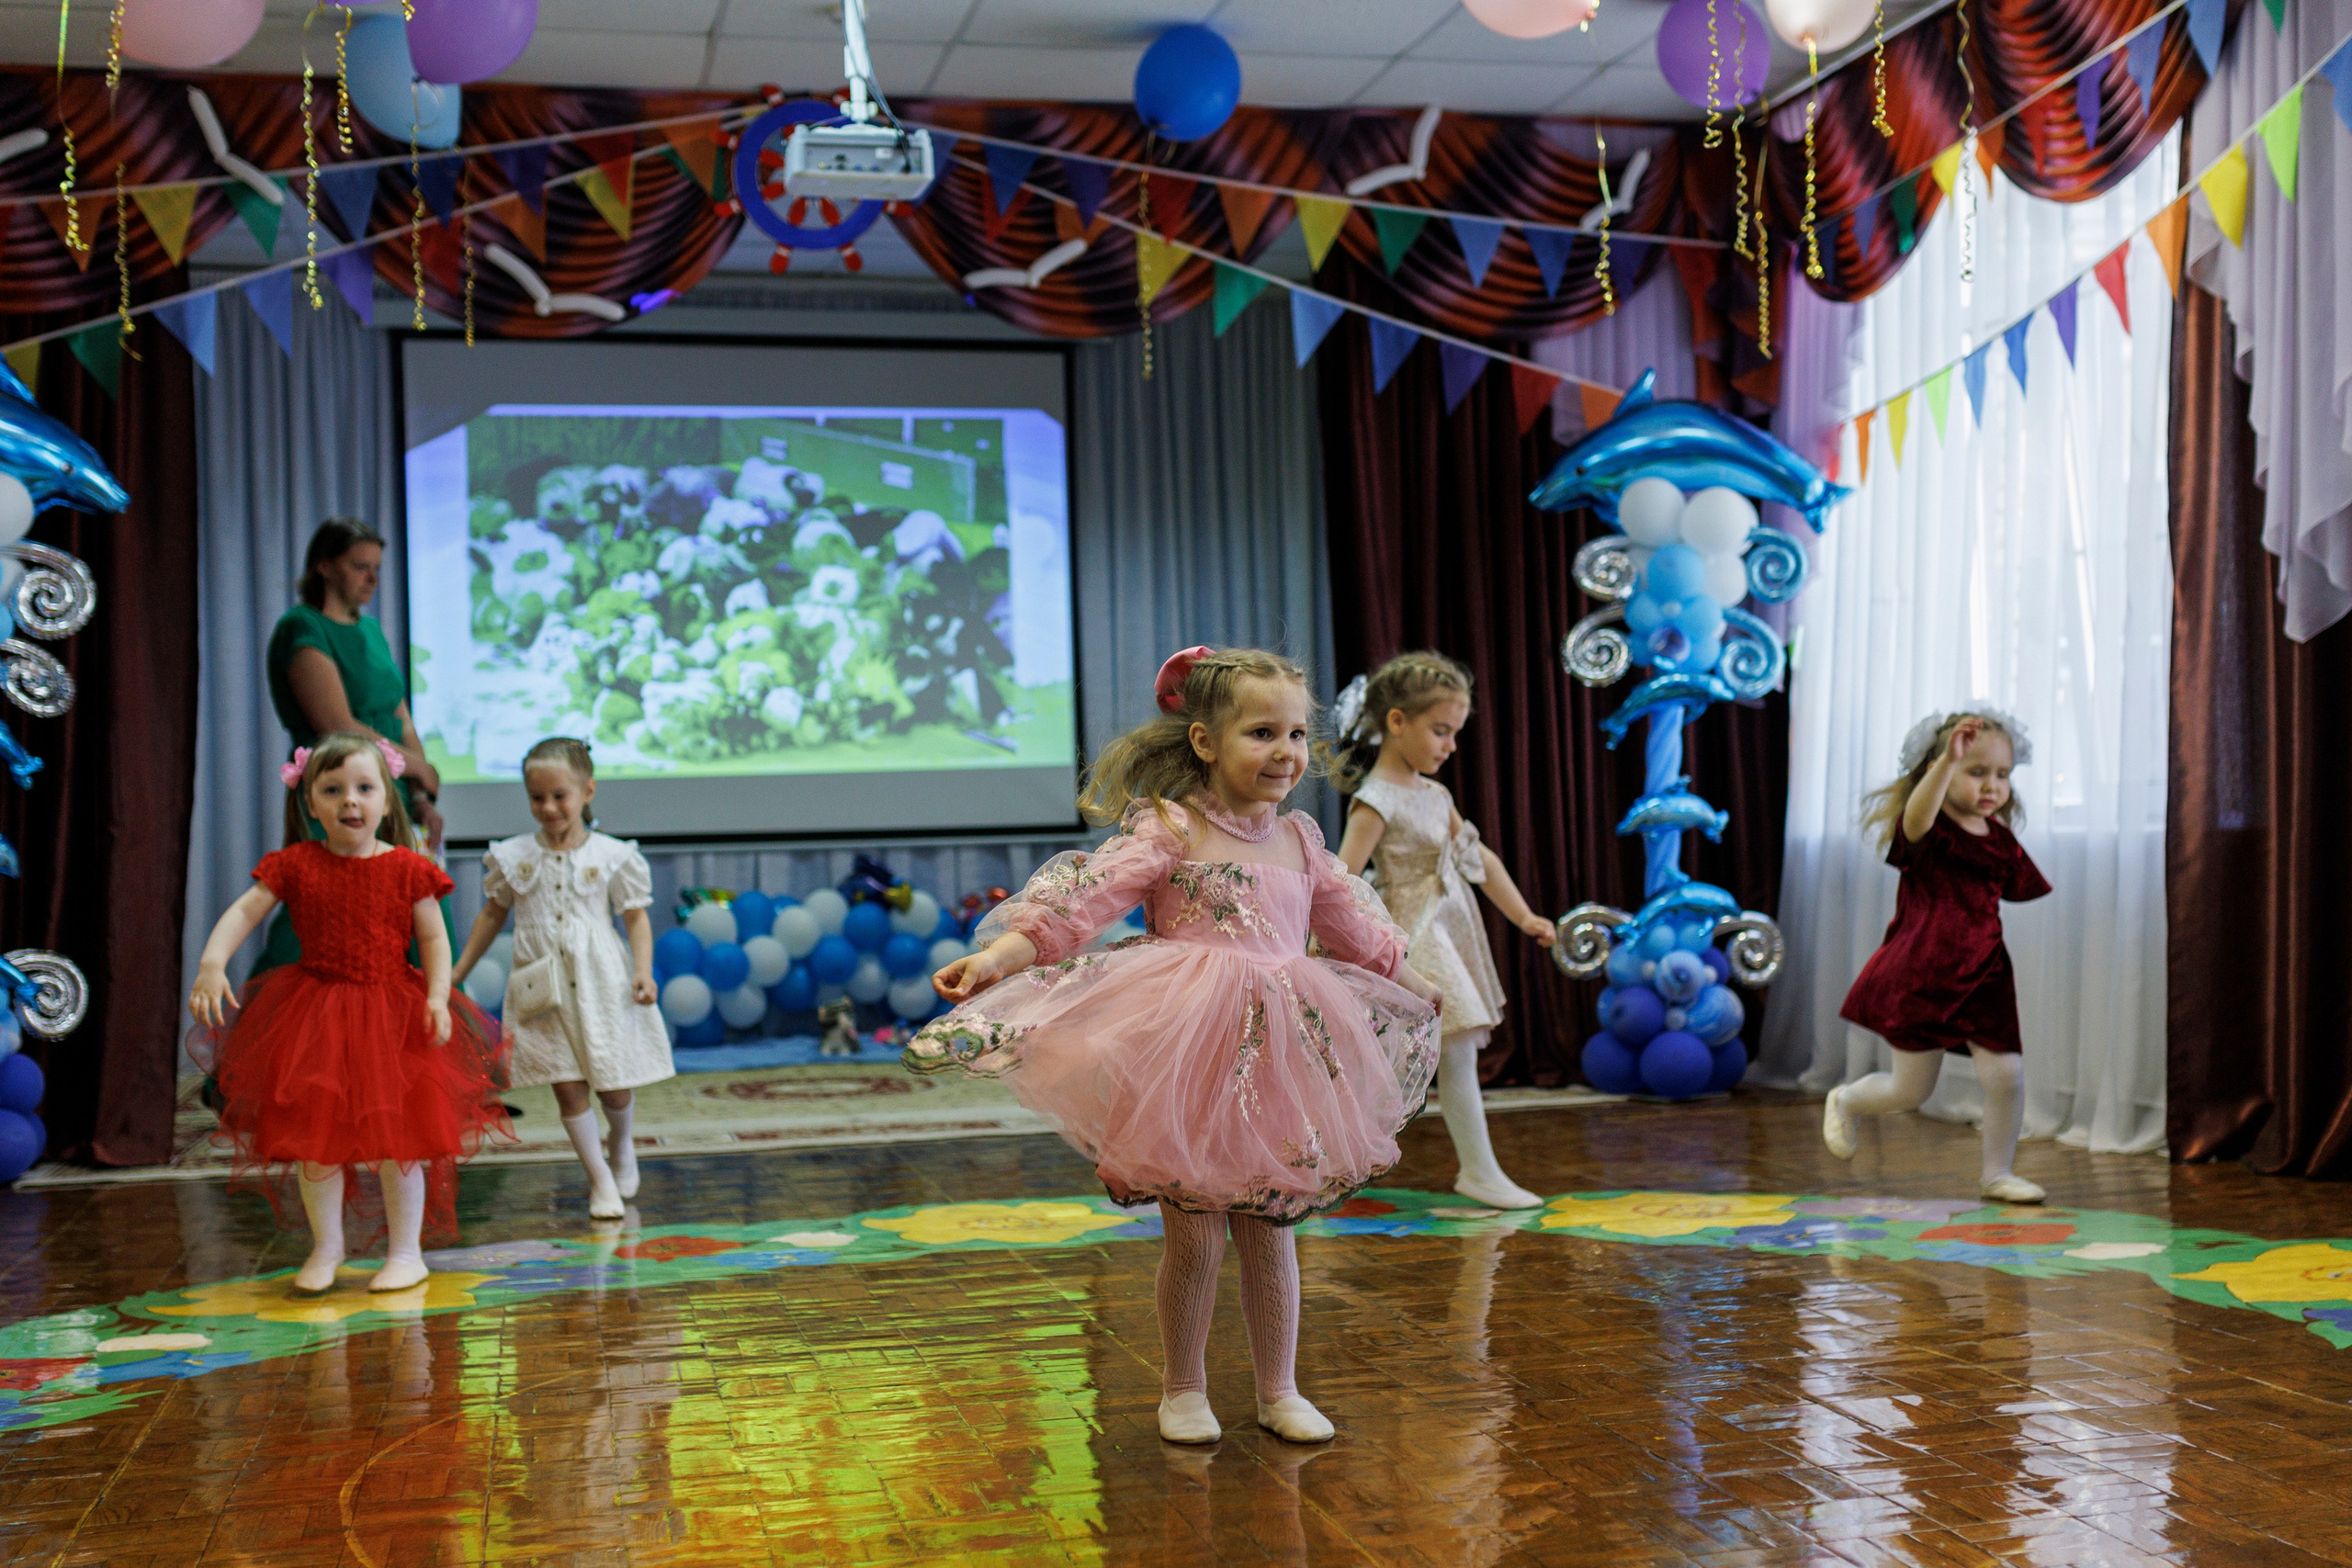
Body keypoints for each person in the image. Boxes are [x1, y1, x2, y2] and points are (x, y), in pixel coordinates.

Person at [909, 646, 1442, 1447]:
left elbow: (1358, 930)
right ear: (1204, 741)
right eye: (1262, 732)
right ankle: (1184, 1386)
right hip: (1189, 1052)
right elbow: (1082, 904)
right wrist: (997, 956)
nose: (1285, 752)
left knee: (1272, 1225)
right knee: (1194, 1231)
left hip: (1281, 1055)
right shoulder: (1172, 826)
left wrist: (1415, 978)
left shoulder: (1299, 840)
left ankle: (1280, 1387)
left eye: (1297, 734)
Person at [188, 732, 509, 1296]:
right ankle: (327, 1245)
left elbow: (433, 940)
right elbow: (244, 911)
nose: (350, 802)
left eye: (364, 788)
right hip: (315, 1016)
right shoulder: (295, 864)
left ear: (388, 800)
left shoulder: (408, 868)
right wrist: (213, 962)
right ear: (310, 802)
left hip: (393, 1016)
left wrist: (437, 996)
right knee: (318, 1138)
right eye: (333, 790)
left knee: (398, 1140)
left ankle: (406, 1252)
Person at [1331, 653, 1556, 1211]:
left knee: (1443, 1055)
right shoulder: (1376, 800)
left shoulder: (1436, 796)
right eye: (1440, 731)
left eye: (1455, 733)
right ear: (1397, 722)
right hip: (1412, 939)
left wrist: (1524, 915)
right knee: (1407, 1057)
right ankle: (1329, 1160)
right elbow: (1339, 880)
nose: (1450, 746)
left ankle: (1476, 1170)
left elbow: (1477, 856)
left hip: (1448, 935)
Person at [1824, 710, 2052, 1203]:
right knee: (1911, 1092)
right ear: (1940, 770)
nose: (1991, 785)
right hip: (1923, 972)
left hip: (1987, 972)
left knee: (2006, 1074)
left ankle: (1996, 1174)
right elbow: (1915, 816)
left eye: (2003, 775)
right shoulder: (1929, 833)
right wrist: (1948, 760)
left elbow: (2013, 889)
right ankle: (1846, 1099)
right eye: (1976, 772)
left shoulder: (1999, 839)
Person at [453, 738, 671, 1221]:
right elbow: (493, 914)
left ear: (587, 791)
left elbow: (634, 918)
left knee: (613, 1085)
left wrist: (642, 971)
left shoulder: (613, 855)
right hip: (542, 987)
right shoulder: (513, 857)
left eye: (560, 796)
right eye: (537, 798)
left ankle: (622, 1146)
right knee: (565, 1085)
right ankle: (600, 1182)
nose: (549, 808)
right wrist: (458, 971)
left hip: (600, 981)